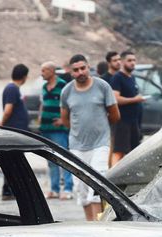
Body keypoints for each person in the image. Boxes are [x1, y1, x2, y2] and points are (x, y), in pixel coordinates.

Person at [60, 54, 120, 221]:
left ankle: (100, 223)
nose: (80, 72)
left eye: (83, 68)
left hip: (100, 143)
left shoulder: (102, 86)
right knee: (81, 187)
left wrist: (99, 127)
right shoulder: (67, 91)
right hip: (77, 145)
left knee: (97, 183)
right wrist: (79, 130)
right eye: (76, 70)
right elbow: (65, 118)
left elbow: (114, 115)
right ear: (71, 72)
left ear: (88, 67)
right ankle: (90, 224)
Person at [39, 61, 72, 200]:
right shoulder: (44, 86)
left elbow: (69, 105)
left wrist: (63, 120)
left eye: (44, 70)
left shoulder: (63, 85)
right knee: (50, 160)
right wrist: (40, 118)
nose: (42, 73)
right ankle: (54, 189)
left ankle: (68, 189)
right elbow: (42, 104)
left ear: (52, 71)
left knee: (64, 158)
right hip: (46, 129)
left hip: (59, 129)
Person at [0, 63, 30, 200]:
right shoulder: (12, 89)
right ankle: (8, 190)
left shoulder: (14, 88)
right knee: (12, 160)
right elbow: (8, 109)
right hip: (13, 132)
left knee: (15, 160)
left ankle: (13, 190)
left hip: (17, 131)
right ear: (24, 77)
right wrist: (2, 123)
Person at [109, 51, 144, 166]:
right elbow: (116, 99)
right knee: (119, 151)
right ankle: (112, 178)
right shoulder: (117, 78)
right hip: (122, 122)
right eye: (129, 60)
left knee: (134, 152)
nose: (132, 63)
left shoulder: (131, 77)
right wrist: (135, 99)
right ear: (123, 62)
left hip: (134, 122)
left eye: (134, 60)